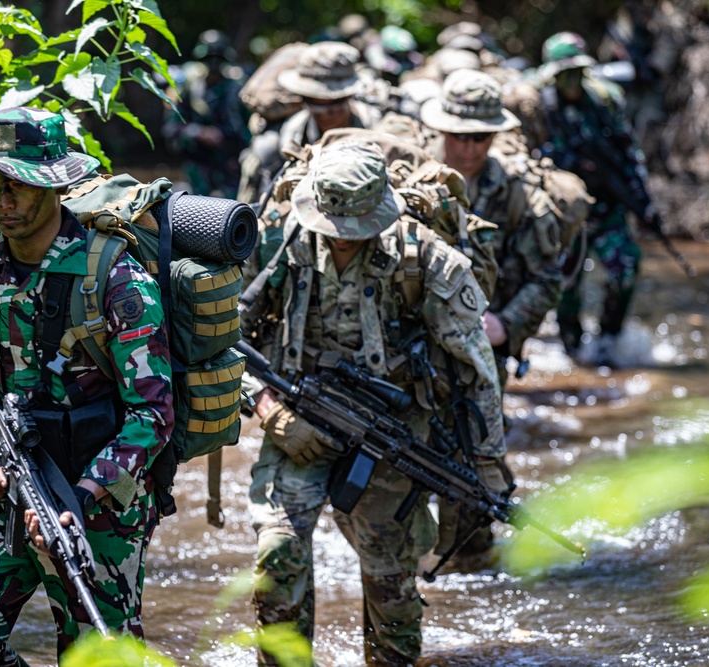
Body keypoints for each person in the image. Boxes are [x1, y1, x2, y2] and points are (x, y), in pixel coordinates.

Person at [0, 107, 174, 663]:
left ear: (53, 185)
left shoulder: (117, 281)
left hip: (96, 503)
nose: (2, 202)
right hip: (3, 482)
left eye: (17, 186)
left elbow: (152, 417)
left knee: (97, 653)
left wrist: (81, 498)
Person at [241, 138, 509, 666]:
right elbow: (217, 341)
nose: (342, 241)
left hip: (391, 432)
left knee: (391, 580)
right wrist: (268, 410)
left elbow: (479, 371)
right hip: (297, 421)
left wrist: (490, 464)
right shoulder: (277, 239)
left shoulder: (427, 259)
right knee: (278, 557)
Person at [421, 68, 565, 390]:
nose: (469, 148)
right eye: (460, 136)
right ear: (442, 129)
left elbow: (547, 277)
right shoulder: (411, 181)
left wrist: (507, 323)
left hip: (484, 343)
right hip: (414, 342)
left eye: (480, 137)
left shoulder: (518, 195)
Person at [534, 31, 654, 366]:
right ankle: (571, 346)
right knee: (565, 281)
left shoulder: (604, 99)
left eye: (577, 73)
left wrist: (643, 201)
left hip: (607, 206)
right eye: (564, 75)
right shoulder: (539, 106)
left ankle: (608, 341)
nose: (571, 81)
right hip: (563, 214)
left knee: (624, 269)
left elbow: (628, 151)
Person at [238, 41, 381, 206]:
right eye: (315, 106)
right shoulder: (291, 136)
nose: (325, 115)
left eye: (334, 105)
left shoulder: (373, 127)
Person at [163, 29, 250, 198]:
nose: (214, 65)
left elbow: (249, 131)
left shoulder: (237, 91)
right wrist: (200, 133)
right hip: (199, 166)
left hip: (231, 166)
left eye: (219, 60)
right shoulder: (188, 90)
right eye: (208, 59)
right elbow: (171, 129)